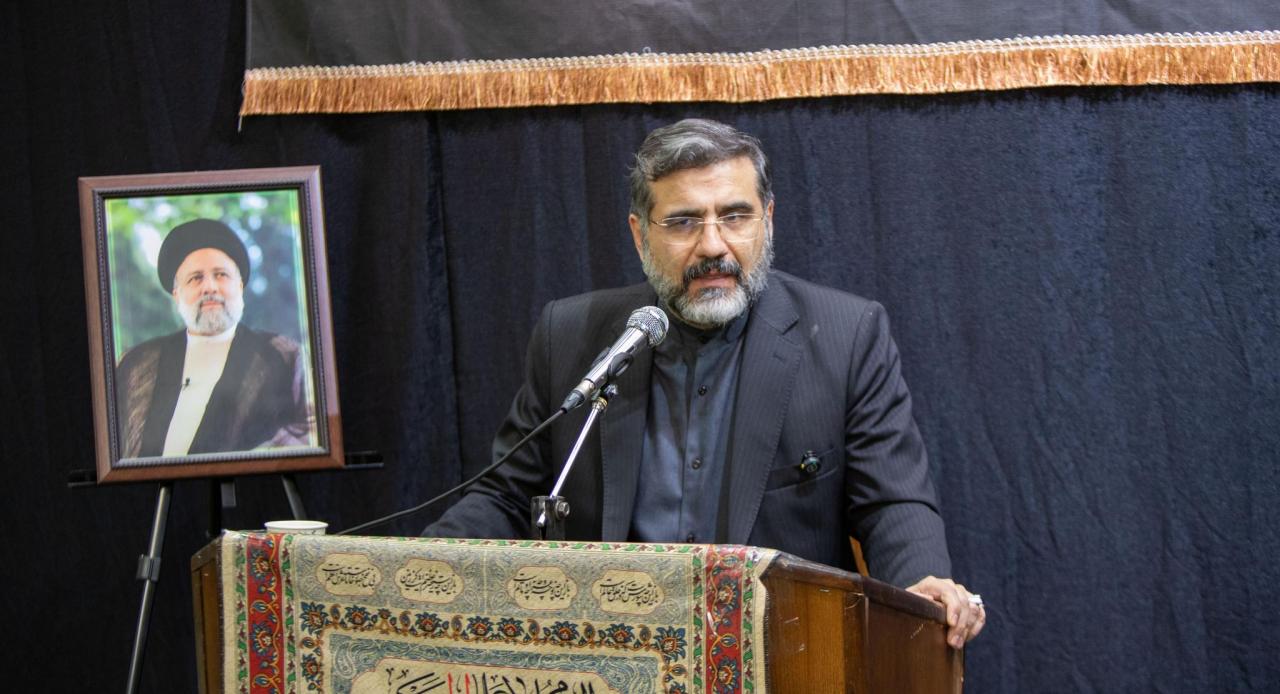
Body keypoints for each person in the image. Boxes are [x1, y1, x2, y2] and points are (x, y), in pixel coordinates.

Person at [426, 119, 984, 647]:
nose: (713, 245)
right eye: (684, 222)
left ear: (768, 219)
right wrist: (416, 566)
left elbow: (891, 502)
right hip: (613, 648)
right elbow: (506, 496)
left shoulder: (846, 337)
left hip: (781, 650)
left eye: (735, 216)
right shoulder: (571, 336)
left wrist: (920, 583)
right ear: (640, 234)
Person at [115, 218, 314, 458]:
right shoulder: (137, 362)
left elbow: (311, 429)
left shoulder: (283, 356)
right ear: (177, 294)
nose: (209, 287)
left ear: (240, 286)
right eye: (195, 278)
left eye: (221, 275)